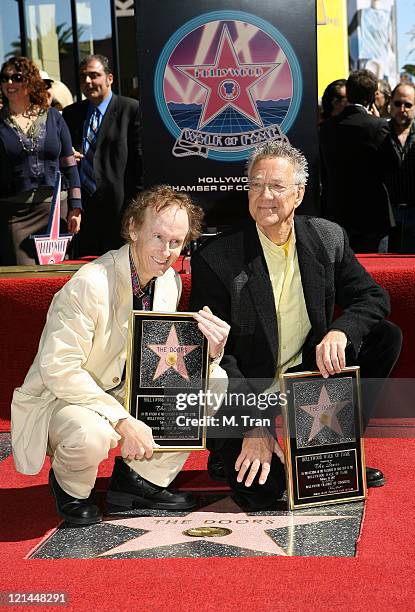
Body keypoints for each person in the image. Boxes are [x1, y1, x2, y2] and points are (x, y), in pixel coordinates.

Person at [189, 140, 402, 511]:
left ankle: (336, 451)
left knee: (384, 337)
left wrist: (341, 331)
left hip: (302, 381)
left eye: (276, 186)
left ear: (299, 194)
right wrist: (253, 423)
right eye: (255, 185)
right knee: (261, 495)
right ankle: (227, 450)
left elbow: (373, 298)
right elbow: (213, 356)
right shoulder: (217, 257)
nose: (264, 195)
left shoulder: (326, 238)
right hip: (245, 389)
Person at [11, 185, 229, 526]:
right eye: (157, 236)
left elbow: (161, 361)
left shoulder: (170, 281)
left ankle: (142, 481)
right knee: (91, 434)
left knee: (213, 381)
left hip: (124, 388)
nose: (167, 251)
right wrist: (123, 421)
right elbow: (60, 370)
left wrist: (209, 355)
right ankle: (70, 488)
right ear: (132, 229)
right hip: (66, 399)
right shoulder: (90, 283)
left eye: (176, 242)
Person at [0, 57, 81, 265]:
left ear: (30, 81)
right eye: (5, 78)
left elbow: (70, 165)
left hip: (55, 211)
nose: (10, 83)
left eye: (16, 77)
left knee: (56, 279)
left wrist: (76, 206)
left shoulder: (54, 117)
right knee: (22, 282)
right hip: (15, 214)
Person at [63, 54, 141, 257]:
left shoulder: (131, 109)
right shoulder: (71, 114)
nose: (88, 81)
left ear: (110, 78)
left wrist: (136, 210)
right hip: (83, 212)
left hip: (120, 211)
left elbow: (140, 164)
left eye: (94, 75)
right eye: (83, 77)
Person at [319, 69, 392, 252]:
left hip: (335, 214)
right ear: (372, 97)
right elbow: (391, 166)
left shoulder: (326, 128)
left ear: (349, 93)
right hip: (372, 217)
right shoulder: (378, 126)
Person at [385, 83, 415, 253]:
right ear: (390, 104)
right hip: (388, 216)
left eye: (408, 105)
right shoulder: (380, 131)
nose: (402, 109)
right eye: (397, 104)